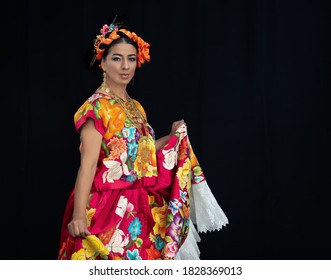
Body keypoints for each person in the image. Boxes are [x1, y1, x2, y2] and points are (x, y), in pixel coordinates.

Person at [57, 16, 228, 260]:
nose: (125, 66)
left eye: (131, 59)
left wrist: (171, 137)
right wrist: (78, 216)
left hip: (142, 203)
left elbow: (140, 153)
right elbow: (87, 166)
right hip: (108, 207)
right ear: (102, 63)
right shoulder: (96, 109)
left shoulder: (135, 106)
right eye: (117, 59)